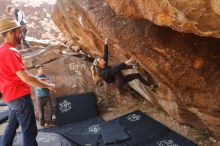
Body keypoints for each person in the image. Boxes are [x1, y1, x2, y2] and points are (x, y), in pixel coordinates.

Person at [0, 17, 56, 146]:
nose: (21, 35)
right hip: (20, 97)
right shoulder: (10, 51)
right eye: (19, 32)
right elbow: (26, 78)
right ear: (9, 33)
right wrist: (49, 85)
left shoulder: (1, 50)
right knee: (30, 131)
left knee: (12, 125)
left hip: (10, 97)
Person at [91, 38, 158, 90]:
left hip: (117, 79)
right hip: (118, 82)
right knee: (113, 67)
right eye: (100, 60)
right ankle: (133, 66)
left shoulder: (102, 65)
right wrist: (127, 62)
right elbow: (115, 68)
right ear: (100, 64)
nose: (102, 59)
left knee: (137, 75)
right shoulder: (103, 72)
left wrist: (105, 44)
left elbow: (105, 56)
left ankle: (151, 86)